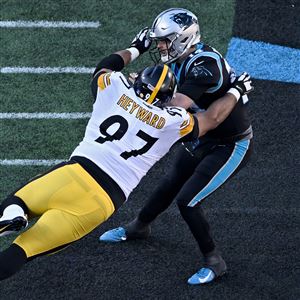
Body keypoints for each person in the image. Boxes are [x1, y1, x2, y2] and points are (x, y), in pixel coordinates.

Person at [0, 42, 253, 280]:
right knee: (22, 251)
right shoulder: (173, 120)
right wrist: (237, 89)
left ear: (137, 81)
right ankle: (140, 227)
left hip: (72, 173)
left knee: (17, 200)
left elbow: (105, 66)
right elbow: (211, 119)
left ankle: (14, 212)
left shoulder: (115, 87)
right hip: (103, 199)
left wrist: (137, 47)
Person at [99, 8, 254, 285]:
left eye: (163, 40)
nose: (159, 46)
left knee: (188, 201)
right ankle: (139, 227)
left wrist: (138, 94)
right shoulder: (180, 57)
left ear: (183, 39)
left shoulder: (205, 65)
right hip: (202, 135)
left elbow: (175, 108)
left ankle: (214, 261)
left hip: (230, 144)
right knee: (169, 183)